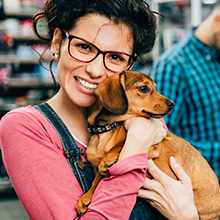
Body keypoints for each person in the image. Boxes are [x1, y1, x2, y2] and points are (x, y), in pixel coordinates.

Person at [0, 0, 199, 219]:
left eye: (115, 57)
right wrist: (136, 144)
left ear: (129, 67)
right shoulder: (26, 127)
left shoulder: (140, 111)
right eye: (84, 47)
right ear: (57, 42)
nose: (95, 70)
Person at [149, 0, 220, 182]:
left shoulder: (215, 58)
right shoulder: (173, 66)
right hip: (197, 190)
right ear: (218, 20)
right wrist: (215, 149)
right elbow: (158, 137)